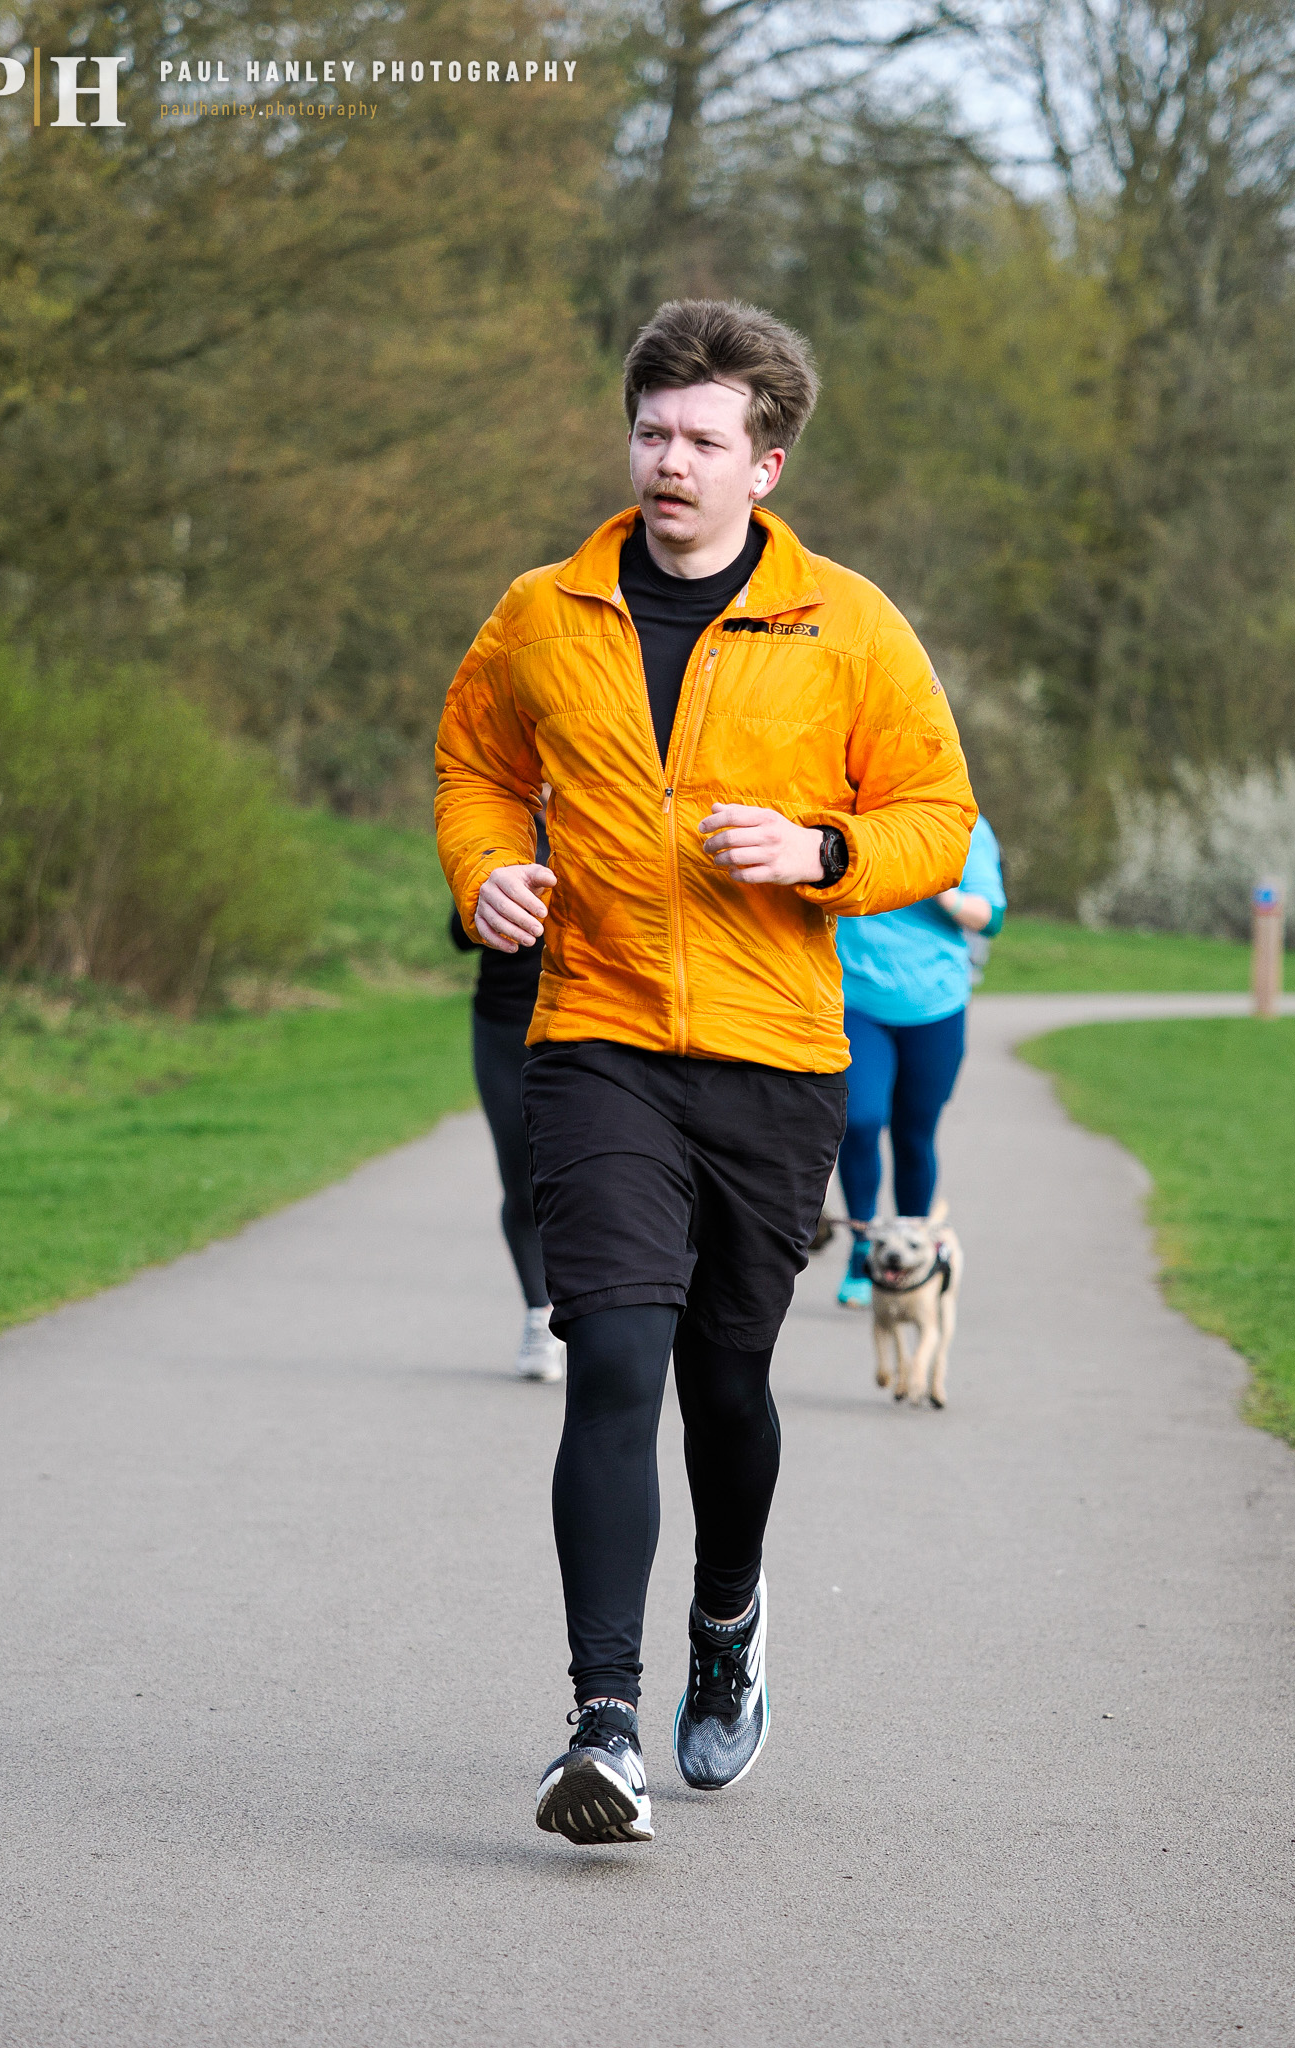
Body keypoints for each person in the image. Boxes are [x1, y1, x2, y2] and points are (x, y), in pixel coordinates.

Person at [435, 297, 976, 1847]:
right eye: (651, 432)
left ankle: (725, 1623)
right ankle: (600, 1724)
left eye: (703, 439)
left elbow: (937, 815)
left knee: (723, 1384)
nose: (670, 461)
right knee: (608, 1354)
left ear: (768, 464)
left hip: (772, 1055)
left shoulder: (849, 627)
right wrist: (487, 871)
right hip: (594, 1036)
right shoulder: (544, 611)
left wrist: (823, 850)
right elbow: (476, 762)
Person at [833, 815, 1006, 1308]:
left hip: (936, 1005)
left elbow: (990, 915)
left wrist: (942, 893)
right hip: (857, 1000)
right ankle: (865, 1247)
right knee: (861, 1121)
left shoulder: (964, 825)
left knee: (914, 1136)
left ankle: (911, 1258)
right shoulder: (852, 812)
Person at [446, 801, 564, 1382]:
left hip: (584, 1023)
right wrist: (489, 897)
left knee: (593, 1179)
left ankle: (600, 1315)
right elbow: (459, 933)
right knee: (523, 1182)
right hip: (503, 1025)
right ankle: (539, 1317)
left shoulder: (611, 815)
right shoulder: (501, 832)